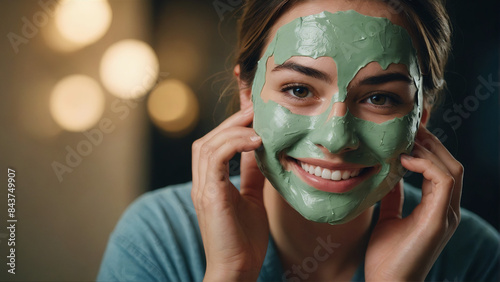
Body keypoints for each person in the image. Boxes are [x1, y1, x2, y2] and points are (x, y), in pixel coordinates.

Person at [98, 0, 500, 281]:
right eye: (299, 90)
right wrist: (231, 274)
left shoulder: (477, 257)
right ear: (247, 93)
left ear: (421, 116)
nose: (336, 138)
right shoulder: (156, 238)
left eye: (380, 98)